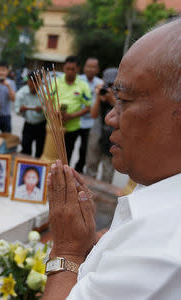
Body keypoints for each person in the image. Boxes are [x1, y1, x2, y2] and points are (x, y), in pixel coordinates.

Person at [43, 19, 181, 299]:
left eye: (125, 100)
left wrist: (67, 250)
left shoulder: (160, 251)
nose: (110, 117)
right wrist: (89, 247)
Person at [56, 56, 92, 170]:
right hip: (54, 127)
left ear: (78, 69)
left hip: (72, 128)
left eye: (73, 69)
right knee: (52, 154)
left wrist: (71, 116)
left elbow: (88, 107)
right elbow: (46, 101)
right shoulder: (56, 82)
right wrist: (55, 113)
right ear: (63, 68)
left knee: (66, 156)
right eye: (67, 69)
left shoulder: (83, 85)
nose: (70, 72)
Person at [86, 68, 118, 182]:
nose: (109, 87)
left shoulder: (122, 95)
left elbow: (122, 113)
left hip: (113, 136)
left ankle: (104, 195)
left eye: (112, 84)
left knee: (108, 169)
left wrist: (112, 99)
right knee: (91, 164)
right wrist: (99, 99)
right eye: (107, 83)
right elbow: (93, 115)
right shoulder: (100, 91)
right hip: (97, 131)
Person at [79, 58, 104, 174]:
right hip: (75, 120)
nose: (90, 69)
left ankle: (79, 170)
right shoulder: (78, 80)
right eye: (88, 66)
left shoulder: (100, 84)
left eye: (93, 67)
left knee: (85, 150)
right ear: (84, 68)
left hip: (91, 123)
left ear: (97, 69)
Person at [15, 71, 46, 157]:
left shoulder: (46, 92)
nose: (32, 87)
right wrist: (21, 109)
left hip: (42, 124)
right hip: (28, 124)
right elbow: (17, 110)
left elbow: (51, 110)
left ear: (40, 83)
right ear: (28, 82)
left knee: (40, 150)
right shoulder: (22, 92)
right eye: (30, 84)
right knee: (25, 148)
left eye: (35, 84)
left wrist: (43, 110)